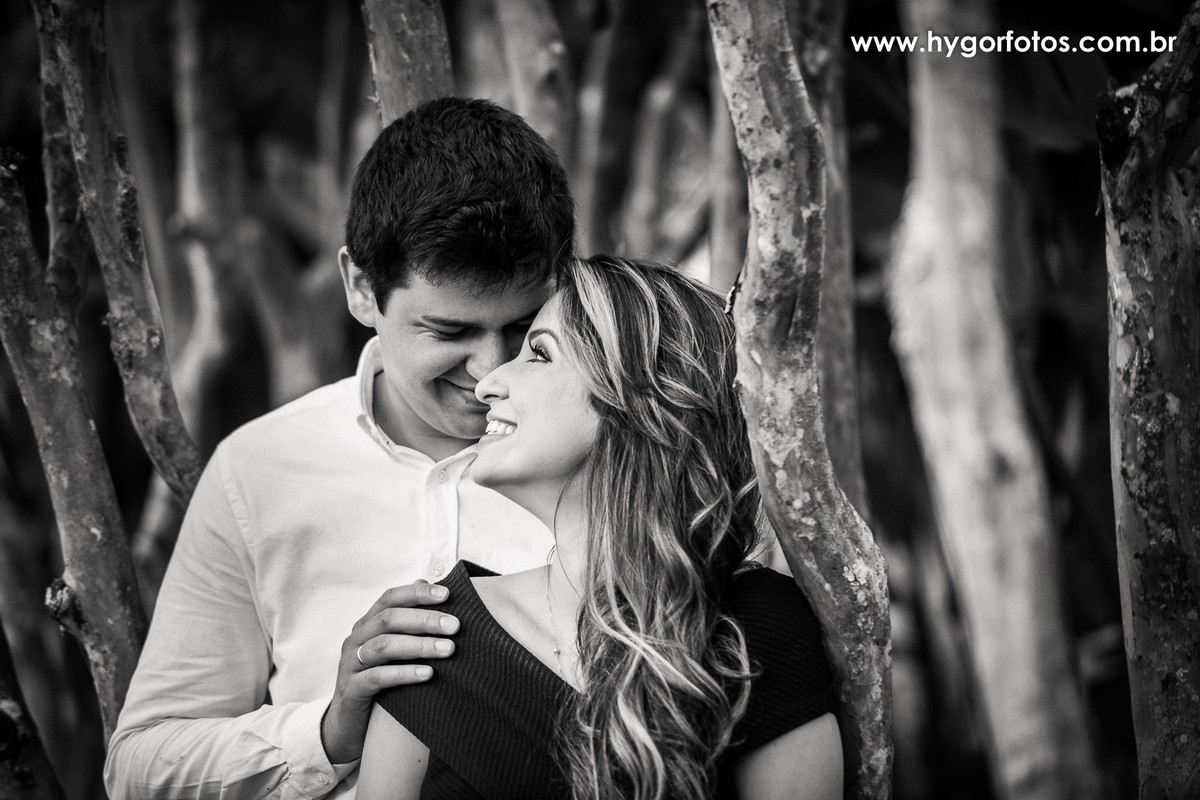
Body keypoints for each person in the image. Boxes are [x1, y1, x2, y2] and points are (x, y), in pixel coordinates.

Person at [104, 97, 576, 800]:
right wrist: (330, 728)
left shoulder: (616, 458)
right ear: (360, 287)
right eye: (449, 332)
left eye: (522, 329)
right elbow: (138, 769)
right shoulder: (258, 473)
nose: (490, 372)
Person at [356, 256, 843, 800]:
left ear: (636, 399)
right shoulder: (435, 640)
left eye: (538, 353)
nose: (489, 383)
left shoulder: (754, 627)